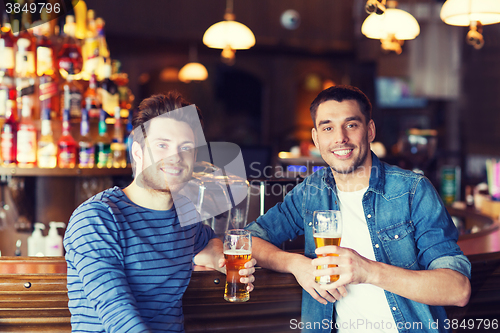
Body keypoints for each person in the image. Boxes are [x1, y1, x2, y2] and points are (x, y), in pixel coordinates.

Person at [245, 85, 471, 333]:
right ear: (316, 138)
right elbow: (249, 240)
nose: (340, 138)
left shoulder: (413, 191)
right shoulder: (310, 193)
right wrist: (296, 265)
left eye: (351, 125)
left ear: (370, 130)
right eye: (328, 127)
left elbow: (457, 289)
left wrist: (368, 271)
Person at [64, 92, 256, 333]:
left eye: (185, 147)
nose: (175, 157)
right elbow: (118, 319)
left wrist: (221, 260)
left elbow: (208, 240)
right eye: (162, 145)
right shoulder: (97, 218)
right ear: (137, 153)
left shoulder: (185, 217)